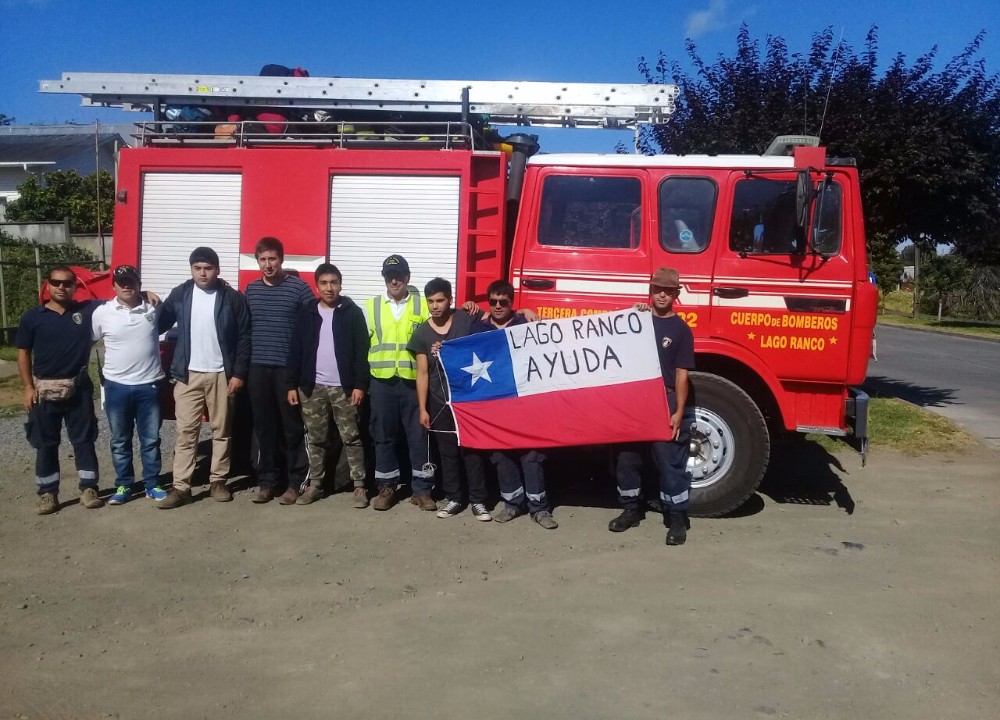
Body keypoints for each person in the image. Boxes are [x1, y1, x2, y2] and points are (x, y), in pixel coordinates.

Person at [157, 247, 251, 509]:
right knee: (186, 432)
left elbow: (245, 337)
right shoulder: (181, 294)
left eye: (207, 268)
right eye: (197, 268)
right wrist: (145, 299)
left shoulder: (232, 298)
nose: (202, 273)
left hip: (222, 374)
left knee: (222, 430)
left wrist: (239, 373)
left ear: (217, 270)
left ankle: (218, 481)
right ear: (191, 269)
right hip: (188, 375)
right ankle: (181, 487)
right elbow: (158, 322)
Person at [609, 267, 695, 546]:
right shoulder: (637, 320)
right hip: (635, 401)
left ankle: (677, 518)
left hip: (665, 399)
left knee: (669, 460)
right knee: (627, 457)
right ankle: (631, 510)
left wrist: (679, 411)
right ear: (650, 291)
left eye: (668, 291)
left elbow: (682, 374)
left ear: (675, 295)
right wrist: (631, 314)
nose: (662, 295)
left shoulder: (682, 330)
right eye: (658, 289)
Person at [466, 280, 557, 529]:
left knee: (531, 455)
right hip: (494, 404)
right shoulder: (477, 328)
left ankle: (540, 509)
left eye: (503, 302)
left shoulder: (526, 324)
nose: (497, 306)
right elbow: (460, 350)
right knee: (501, 454)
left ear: (511, 303)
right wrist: (440, 349)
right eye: (493, 301)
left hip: (524, 404)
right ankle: (513, 504)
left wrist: (526, 313)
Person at [16, 266, 103, 515]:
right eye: (56, 283)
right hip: (43, 390)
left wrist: (147, 293)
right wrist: (27, 387)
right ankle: (47, 494)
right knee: (46, 443)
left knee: (84, 440)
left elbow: (120, 297)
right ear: (48, 285)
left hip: (78, 388)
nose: (61, 287)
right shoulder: (32, 317)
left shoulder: (85, 311)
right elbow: (23, 352)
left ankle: (88, 488)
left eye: (67, 283)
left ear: (75, 286)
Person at [286, 263, 370, 506]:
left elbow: (361, 351)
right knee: (315, 438)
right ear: (316, 286)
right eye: (324, 283)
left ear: (340, 285)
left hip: (344, 389)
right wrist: (291, 384)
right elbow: (296, 350)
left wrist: (360, 385)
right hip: (312, 388)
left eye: (334, 282)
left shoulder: (352, 313)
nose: (329, 288)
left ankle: (359, 486)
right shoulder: (307, 313)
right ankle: (316, 485)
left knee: (352, 438)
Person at [409, 277, 491, 521]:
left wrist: (525, 311)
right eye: (431, 301)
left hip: (468, 400)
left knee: (472, 451)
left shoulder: (466, 319)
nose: (435, 306)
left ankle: (478, 501)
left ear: (450, 300)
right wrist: (422, 409)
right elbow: (422, 373)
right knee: (447, 452)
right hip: (439, 401)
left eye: (440, 300)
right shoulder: (422, 332)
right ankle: (454, 498)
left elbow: (495, 322)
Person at [244, 237, 315, 505]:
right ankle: (267, 482)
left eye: (272, 258)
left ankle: (295, 483)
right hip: (258, 369)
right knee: (263, 429)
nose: (268, 264)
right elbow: (243, 328)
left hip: (287, 371)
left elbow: (314, 322)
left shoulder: (298, 289)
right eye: (262, 259)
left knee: (292, 428)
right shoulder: (250, 291)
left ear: (281, 259)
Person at [90, 265, 169, 504]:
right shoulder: (102, 313)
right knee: (119, 440)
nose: (126, 285)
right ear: (113, 285)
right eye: (121, 281)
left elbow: (174, 307)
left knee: (151, 440)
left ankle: (152, 484)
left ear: (139, 283)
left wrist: (148, 295)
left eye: (131, 281)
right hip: (116, 387)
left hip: (149, 385)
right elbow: (89, 340)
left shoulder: (154, 308)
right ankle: (124, 485)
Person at [363, 254, 433, 511]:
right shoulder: (370, 306)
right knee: (383, 436)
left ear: (408, 276)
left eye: (399, 274)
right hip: (381, 382)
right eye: (389, 275)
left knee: (419, 435)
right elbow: (362, 345)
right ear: (384, 277)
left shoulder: (423, 304)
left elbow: (443, 324)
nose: (394, 280)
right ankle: (386, 487)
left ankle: (422, 489)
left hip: (413, 382)